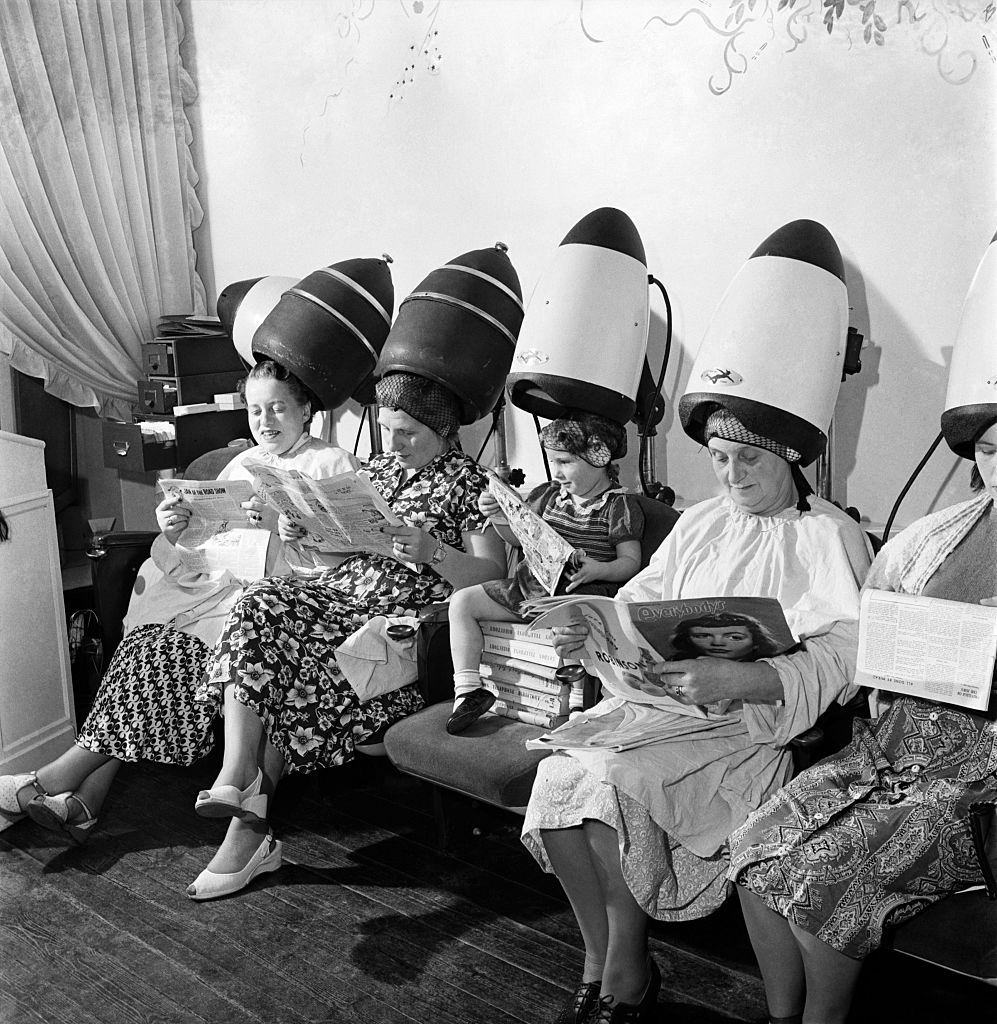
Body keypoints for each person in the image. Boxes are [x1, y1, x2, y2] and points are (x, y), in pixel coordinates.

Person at [521, 219, 872, 1023]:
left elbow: (850, 653)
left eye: (748, 457)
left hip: (744, 728)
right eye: (717, 457)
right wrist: (592, 624)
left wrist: (746, 674)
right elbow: (642, 602)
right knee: (555, 781)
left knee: (609, 787)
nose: (731, 473)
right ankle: (600, 956)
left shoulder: (827, 537)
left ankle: (626, 969)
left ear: (790, 455)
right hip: (661, 708)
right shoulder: (706, 521)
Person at [728, 232, 997, 1024]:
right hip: (890, 751)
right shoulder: (931, 537)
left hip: (975, 786)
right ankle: (781, 1016)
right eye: (987, 447)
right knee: (753, 849)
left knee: (817, 885)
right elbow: (878, 642)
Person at [0, 358, 358, 843]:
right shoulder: (241, 464)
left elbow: (348, 563)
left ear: (306, 410)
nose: (265, 422)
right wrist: (175, 532)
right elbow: (200, 550)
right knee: (142, 648)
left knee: (160, 657)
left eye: (277, 409)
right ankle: (83, 800)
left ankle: (54, 783)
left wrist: (287, 532)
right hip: (211, 588)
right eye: (255, 411)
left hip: (269, 605)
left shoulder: (331, 463)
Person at [187, 372, 507, 900]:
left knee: (290, 673)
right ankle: (235, 772)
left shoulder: (472, 485)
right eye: (387, 432)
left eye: (407, 433)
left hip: (396, 617)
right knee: (257, 603)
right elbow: (339, 553)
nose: (394, 445)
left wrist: (434, 552)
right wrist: (303, 532)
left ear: (444, 430)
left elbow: (491, 578)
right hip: (335, 594)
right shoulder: (376, 471)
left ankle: (247, 830)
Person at [446, 411, 644, 734]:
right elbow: (520, 540)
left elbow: (630, 562)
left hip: (578, 596)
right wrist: (500, 516)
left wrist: (599, 569)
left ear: (599, 456)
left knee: (570, 625)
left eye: (565, 462)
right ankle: (467, 691)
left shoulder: (618, 506)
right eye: (554, 462)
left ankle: (574, 704)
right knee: (462, 603)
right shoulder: (550, 495)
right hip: (529, 589)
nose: (558, 472)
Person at [669, 611, 782, 662]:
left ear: (756, 642)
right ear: (687, 639)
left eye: (735, 637)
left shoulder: (774, 667)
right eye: (703, 636)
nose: (717, 643)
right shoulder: (677, 662)